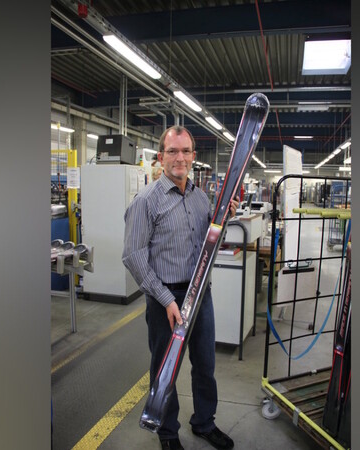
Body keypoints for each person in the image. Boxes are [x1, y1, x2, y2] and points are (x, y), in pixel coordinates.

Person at [122, 125, 237, 450]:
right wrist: (165, 299)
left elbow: (209, 245)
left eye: (186, 151)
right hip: (165, 299)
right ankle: (168, 433)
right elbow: (133, 256)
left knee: (205, 364)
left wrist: (222, 223)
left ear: (193, 157)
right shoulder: (146, 201)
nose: (180, 158)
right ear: (161, 157)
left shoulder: (201, 198)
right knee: (165, 368)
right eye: (172, 151)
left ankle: (204, 422)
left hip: (200, 294)